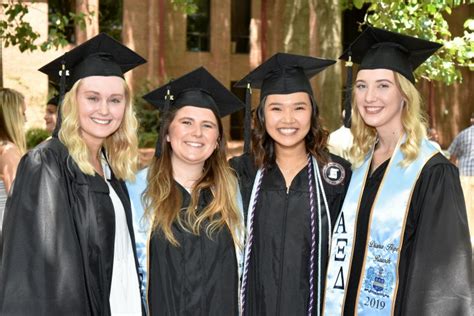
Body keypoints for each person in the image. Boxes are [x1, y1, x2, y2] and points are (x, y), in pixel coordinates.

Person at [323, 26, 472, 315]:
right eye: (362, 86)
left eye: (383, 85)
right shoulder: (361, 165)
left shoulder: (432, 172)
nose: (369, 97)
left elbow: (443, 283)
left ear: (404, 94)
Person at [0, 33, 147, 315]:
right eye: (93, 98)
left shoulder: (110, 167)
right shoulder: (47, 164)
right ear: (72, 101)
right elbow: (36, 276)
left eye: (115, 100)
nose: (104, 110)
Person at [231, 53, 352, 316]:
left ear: (313, 113)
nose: (288, 119)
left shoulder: (338, 176)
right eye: (276, 108)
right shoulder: (239, 173)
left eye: (299, 107)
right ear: (262, 116)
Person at [139, 67, 245, 315]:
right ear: (167, 133)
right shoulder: (135, 194)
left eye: (207, 125)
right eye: (186, 122)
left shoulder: (236, 195)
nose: (197, 133)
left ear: (218, 139)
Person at [0, 88, 26, 232]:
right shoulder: (8, 151)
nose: (25, 119)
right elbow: (18, 199)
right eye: (22, 113)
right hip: (7, 230)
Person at [449, 114, 474, 243]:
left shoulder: (463, 134)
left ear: (471, 120)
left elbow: (452, 155)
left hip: (465, 175)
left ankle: (469, 238)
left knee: (466, 207)